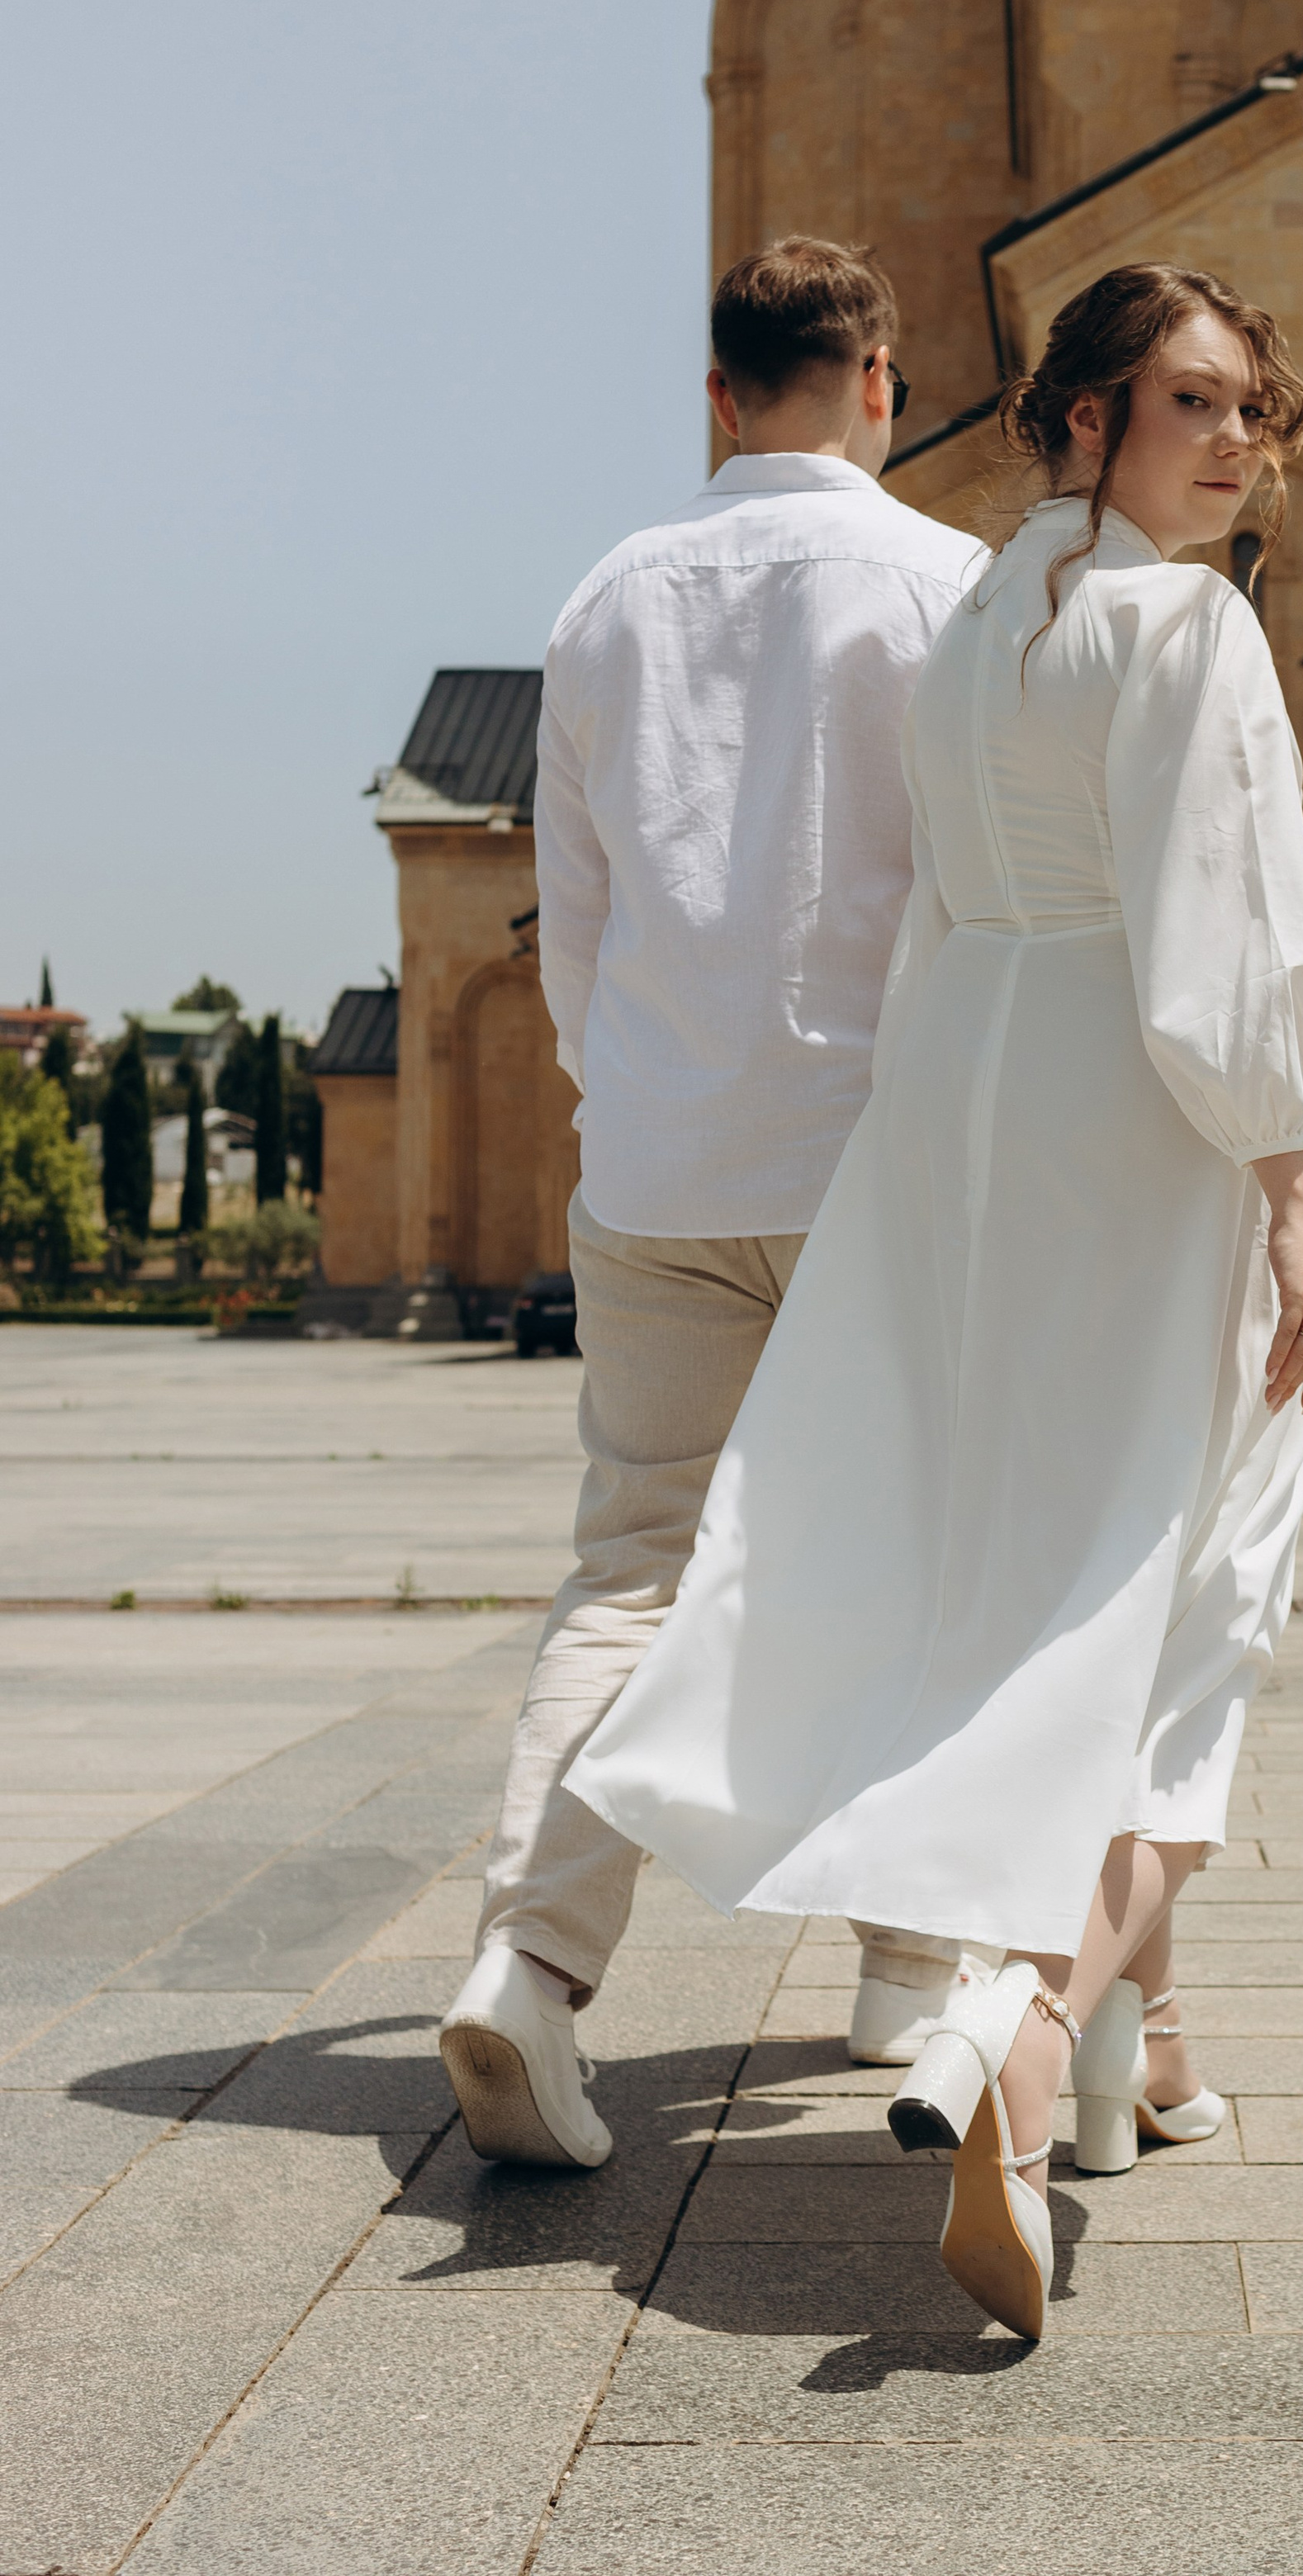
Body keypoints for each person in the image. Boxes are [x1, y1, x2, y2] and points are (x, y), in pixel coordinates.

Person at [568, 262, 1303, 2336]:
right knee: (1190, 1591)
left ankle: (1135, 2060)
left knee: (1052, 1580)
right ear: (1084, 414)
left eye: (1250, 408)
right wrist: (1295, 1186)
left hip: (972, 1121)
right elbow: (1233, 935)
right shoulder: (1188, 626)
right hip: (1140, 1122)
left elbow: (935, 914)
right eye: (1192, 401)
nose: (1235, 442)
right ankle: (1020, 2020)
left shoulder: (982, 619)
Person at [439, 235, 992, 2168]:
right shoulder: (946, 584)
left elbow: (572, 922)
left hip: (662, 1167)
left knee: (632, 1571)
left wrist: (636, 1100)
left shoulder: (605, 600)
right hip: (877, 1163)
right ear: (879, 378)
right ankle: (907, 1961)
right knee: (916, 1563)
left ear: (716, 390)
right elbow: (979, 894)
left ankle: (527, 1963)